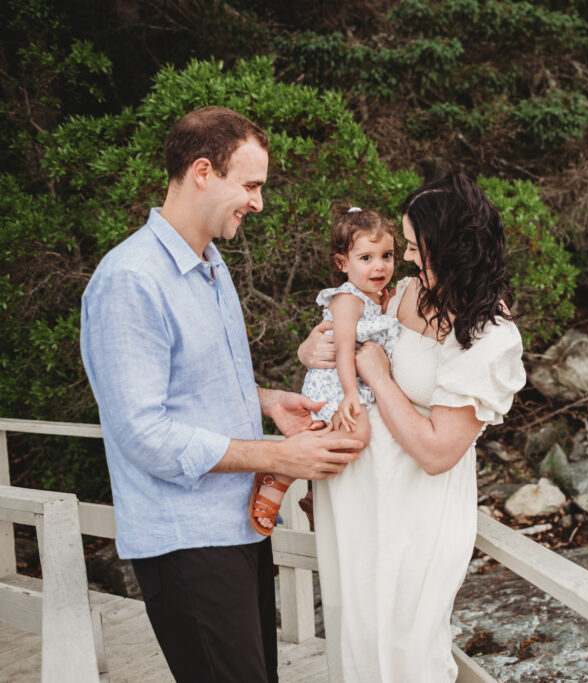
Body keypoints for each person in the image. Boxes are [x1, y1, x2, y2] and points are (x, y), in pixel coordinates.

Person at [80, 106, 363, 683]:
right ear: (203, 172)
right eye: (251, 185)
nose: (258, 203)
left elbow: (185, 384)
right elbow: (142, 433)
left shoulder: (212, 265)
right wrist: (279, 455)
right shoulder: (130, 280)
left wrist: (264, 400)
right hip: (186, 544)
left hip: (237, 527)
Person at [298, 173, 527, 682]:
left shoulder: (489, 334)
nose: (403, 256)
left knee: (409, 646)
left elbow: (438, 452)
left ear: (450, 246)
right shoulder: (403, 292)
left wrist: (379, 378)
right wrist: (310, 350)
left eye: (412, 245)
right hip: (358, 494)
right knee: (357, 632)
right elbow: (345, 341)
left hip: (418, 506)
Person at [249, 207, 400, 534]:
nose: (379, 265)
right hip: (337, 382)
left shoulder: (377, 298)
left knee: (344, 439)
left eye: (386, 256)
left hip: (357, 382)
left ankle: (314, 497)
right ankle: (280, 474)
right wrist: (349, 393)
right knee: (355, 436)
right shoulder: (347, 300)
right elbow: (344, 348)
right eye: (366, 258)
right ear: (342, 263)